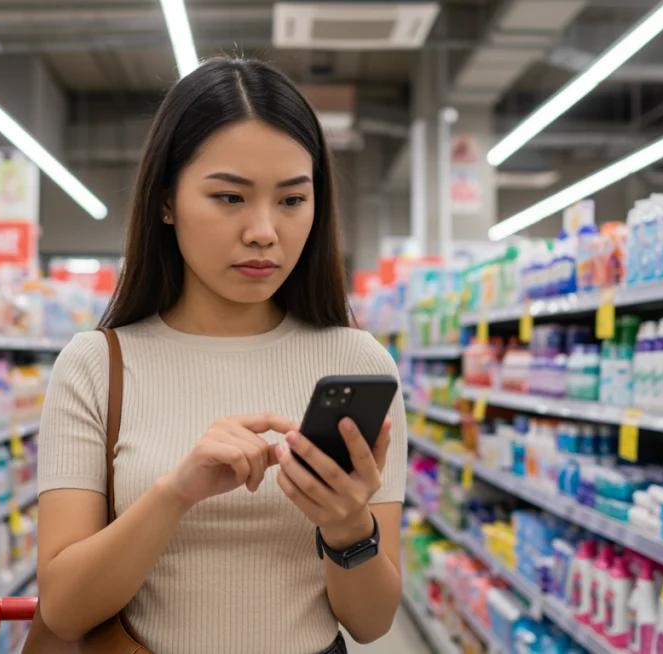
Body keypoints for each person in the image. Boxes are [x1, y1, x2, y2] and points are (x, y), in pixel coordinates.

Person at [36, 56, 408, 654]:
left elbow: (371, 623)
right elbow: (63, 609)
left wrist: (345, 525)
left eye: (291, 201)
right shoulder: (95, 366)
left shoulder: (359, 363)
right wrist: (173, 493)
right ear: (166, 202)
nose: (264, 230)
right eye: (230, 197)